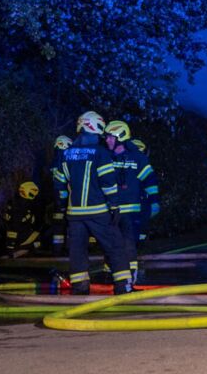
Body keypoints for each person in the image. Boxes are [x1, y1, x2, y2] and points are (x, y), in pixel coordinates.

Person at [56, 111, 132, 294]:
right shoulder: (100, 153)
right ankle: (123, 287)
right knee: (115, 246)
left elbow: (59, 183)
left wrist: (63, 205)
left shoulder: (66, 154)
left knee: (77, 252)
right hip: (98, 211)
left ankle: (80, 288)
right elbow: (108, 183)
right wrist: (114, 206)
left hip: (74, 214)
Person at [105, 120, 158, 284]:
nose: (107, 140)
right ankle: (109, 276)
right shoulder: (105, 156)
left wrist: (154, 201)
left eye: (110, 137)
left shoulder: (138, 158)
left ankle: (130, 276)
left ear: (120, 137)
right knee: (111, 244)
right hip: (110, 209)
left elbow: (149, 180)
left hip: (131, 210)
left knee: (129, 244)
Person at [0, 182, 43, 256]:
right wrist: (11, 247)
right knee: (38, 242)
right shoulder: (21, 207)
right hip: (17, 238)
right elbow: (14, 226)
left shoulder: (13, 202)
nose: (34, 197)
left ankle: (15, 252)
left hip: (9, 238)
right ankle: (16, 254)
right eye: (32, 194)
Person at [48, 136, 72, 255]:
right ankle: (66, 248)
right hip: (64, 199)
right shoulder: (63, 159)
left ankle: (57, 248)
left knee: (58, 224)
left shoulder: (54, 160)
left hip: (56, 198)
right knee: (68, 223)